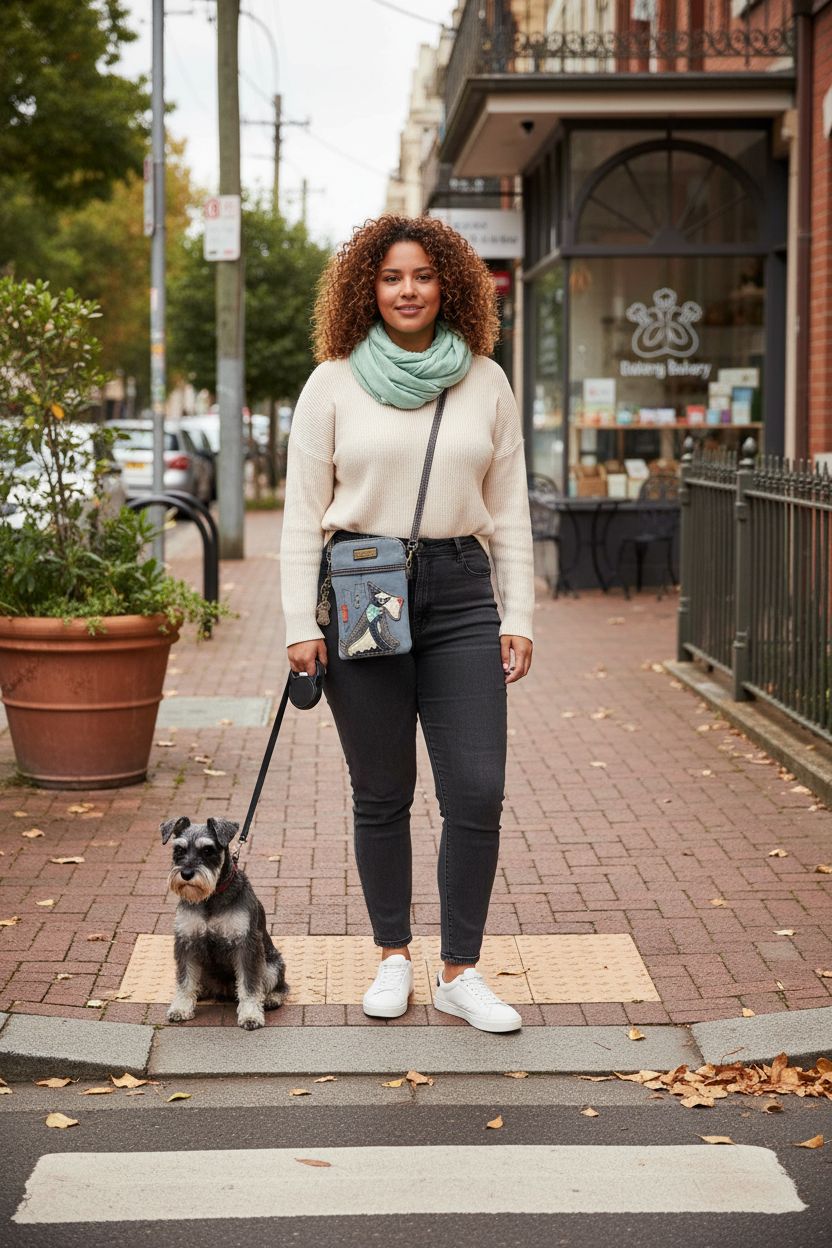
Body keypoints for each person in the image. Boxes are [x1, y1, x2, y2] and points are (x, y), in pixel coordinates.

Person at [280, 215, 534, 1033]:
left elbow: (512, 511)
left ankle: (461, 969)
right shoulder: (331, 384)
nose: (408, 290)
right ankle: (394, 957)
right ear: (369, 288)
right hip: (363, 589)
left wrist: (517, 612)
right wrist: (297, 622)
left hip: (463, 594)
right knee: (382, 792)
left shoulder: (486, 380)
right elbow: (299, 516)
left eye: (423, 275)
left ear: (449, 284)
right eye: (392, 277)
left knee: (477, 790)